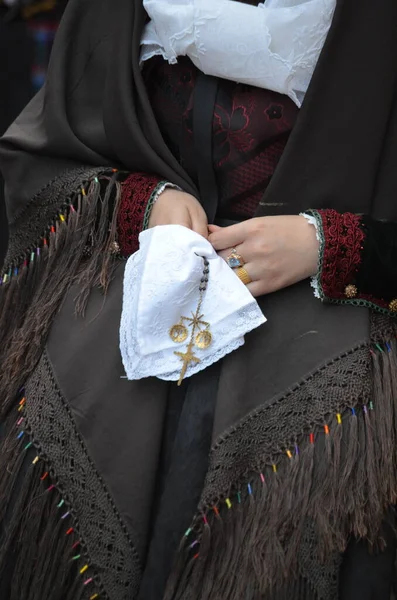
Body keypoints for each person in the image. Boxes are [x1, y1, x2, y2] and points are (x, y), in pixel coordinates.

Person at [1, 0, 397, 599]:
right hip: (132, 286)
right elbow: (42, 155)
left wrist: (332, 245)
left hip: (345, 320)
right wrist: (142, 201)